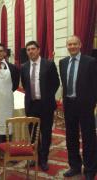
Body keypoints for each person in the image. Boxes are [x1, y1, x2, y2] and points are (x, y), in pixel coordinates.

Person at [59, 36, 97, 179]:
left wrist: (92, 103)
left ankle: (90, 169)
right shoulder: (62, 63)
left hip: (86, 106)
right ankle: (74, 166)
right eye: (70, 44)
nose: (72, 46)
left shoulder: (90, 62)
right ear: (67, 46)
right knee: (71, 137)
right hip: (69, 105)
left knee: (89, 138)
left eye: (75, 44)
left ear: (80, 45)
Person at [20, 41, 60, 171]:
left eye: (33, 49)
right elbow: (26, 85)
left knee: (46, 133)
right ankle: (34, 157)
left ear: (38, 50)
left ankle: (44, 159)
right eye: (28, 49)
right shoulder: (24, 66)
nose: (30, 51)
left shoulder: (48, 65)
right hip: (31, 105)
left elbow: (56, 83)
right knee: (32, 134)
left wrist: (47, 97)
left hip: (46, 105)